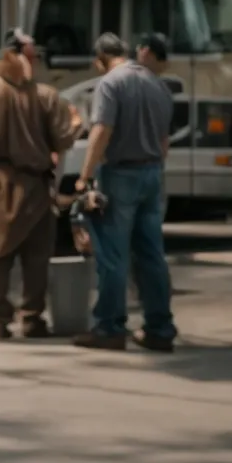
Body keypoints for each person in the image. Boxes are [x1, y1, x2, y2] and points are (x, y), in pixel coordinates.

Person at [0, 28, 82, 340]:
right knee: (35, 258)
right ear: (20, 55)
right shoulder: (46, 96)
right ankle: (32, 319)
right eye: (34, 54)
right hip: (35, 187)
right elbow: (63, 139)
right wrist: (75, 124)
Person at [74, 32, 180, 352]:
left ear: (99, 60)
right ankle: (159, 328)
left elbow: (102, 130)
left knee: (113, 256)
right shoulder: (159, 86)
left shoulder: (110, 83)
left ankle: (109, 328)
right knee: (152, 255)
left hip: (121, 174)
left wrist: (85, 176)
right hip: (152, 174)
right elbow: (164, 145)